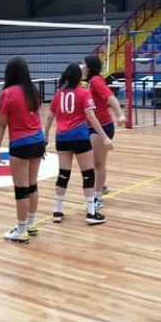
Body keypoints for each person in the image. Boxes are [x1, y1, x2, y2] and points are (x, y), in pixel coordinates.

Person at [44, 63, 112, 225]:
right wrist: (104, 137)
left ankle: (57, 210)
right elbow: (91, 117)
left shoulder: (58, 94)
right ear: (79, 76)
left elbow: (49, 117)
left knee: (63, 174)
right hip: (80, 136)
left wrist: (45, 137)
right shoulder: (83, 93)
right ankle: (90, 212)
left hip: (62, 137)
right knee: (88, 174)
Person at [0, 57, 45, 244]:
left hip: (21, 142)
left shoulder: (7, 93)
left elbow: (1, 124)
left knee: (21, 189)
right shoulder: (33, 91)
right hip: (38, 140)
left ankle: (21, 230)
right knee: (32, 185)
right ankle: (31, 224)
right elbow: (38, 118)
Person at [81, 55, 125, 211]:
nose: (81, 66)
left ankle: (98, 197)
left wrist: (120, 114)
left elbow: (111, 98)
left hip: (102, 127)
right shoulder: (88, 82)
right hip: (92, 126)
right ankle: (102, 185)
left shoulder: (96, 81)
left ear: (89, 67)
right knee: (94, 162)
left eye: (83, 64)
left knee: (98, 163)